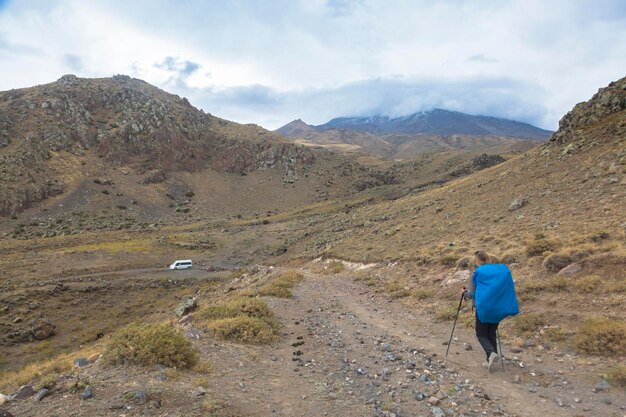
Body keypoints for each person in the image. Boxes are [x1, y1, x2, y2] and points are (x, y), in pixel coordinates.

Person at [465, 250, 519, 371]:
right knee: (491, 333)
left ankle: (491, 353)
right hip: (498, 308)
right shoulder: (499, 270)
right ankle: (490, 359)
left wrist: (464, 293)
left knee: (481, 333)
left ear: (477, 260)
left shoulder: (477, 273)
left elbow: (472, 294)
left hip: (484, 308)